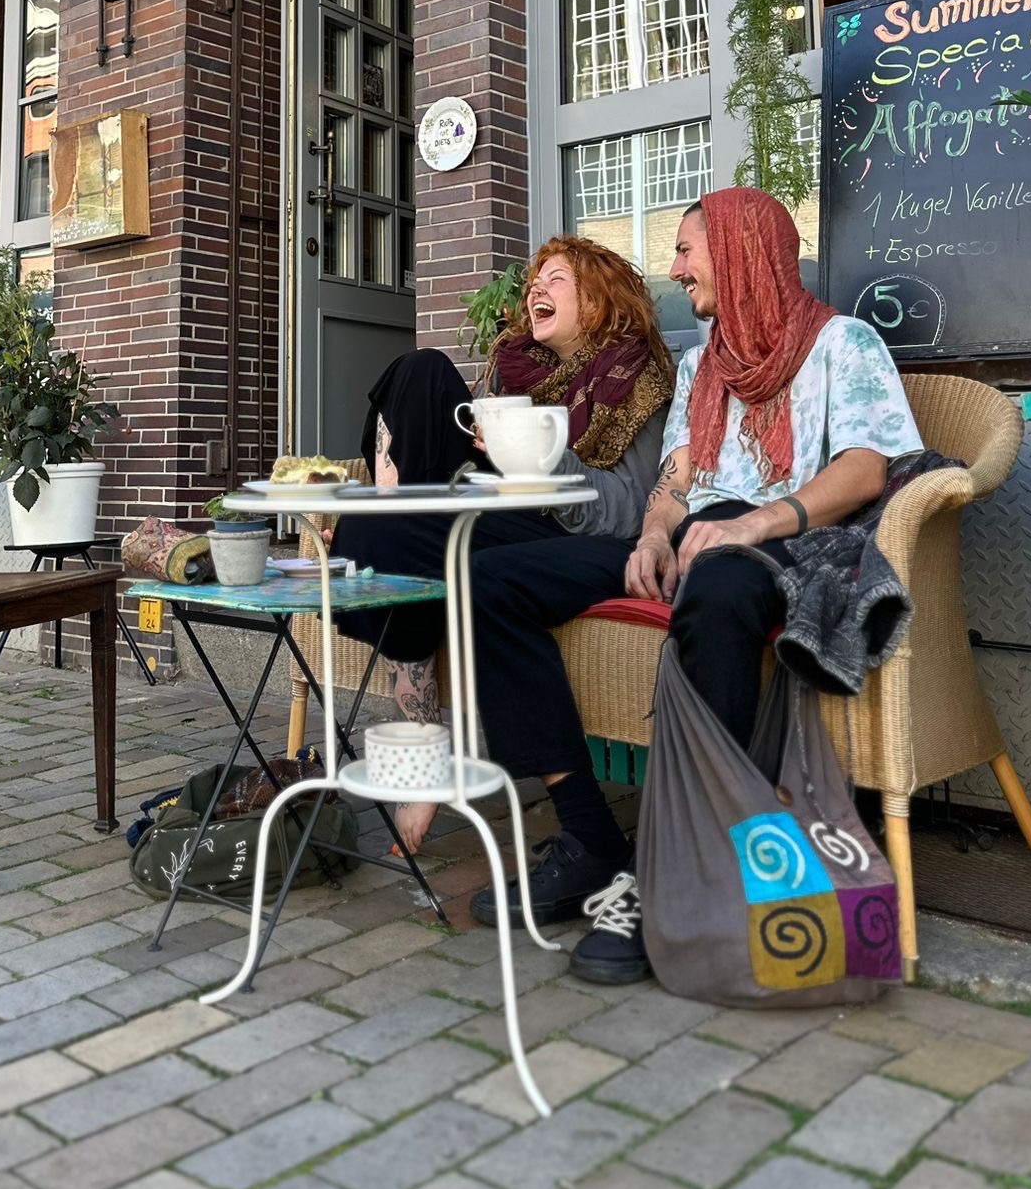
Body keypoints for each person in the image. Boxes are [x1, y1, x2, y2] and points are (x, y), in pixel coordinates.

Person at [467, 187, 922, 972]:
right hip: (692, 536)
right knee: (489, 580)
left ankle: (677, 872)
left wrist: (752, 525)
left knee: (717, 593)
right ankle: (590, 836)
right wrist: (652, 536)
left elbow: (862, 470)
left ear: (741, 252)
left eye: (685, 251)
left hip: (783, 535)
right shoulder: (701, 365)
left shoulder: (843, 344)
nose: (675, 270)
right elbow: (675, 481)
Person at [329, 236, 675, 852]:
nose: (536, 287)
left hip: (573, 530)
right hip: (504, 509)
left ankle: (386, 538)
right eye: (536, 278)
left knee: (375, 537)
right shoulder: (515, 366)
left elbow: (630, 510)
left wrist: (537, 457)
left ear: (599, 299)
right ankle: (425, 732)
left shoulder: (636, 377)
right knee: (421, 370)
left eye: (557, 279)